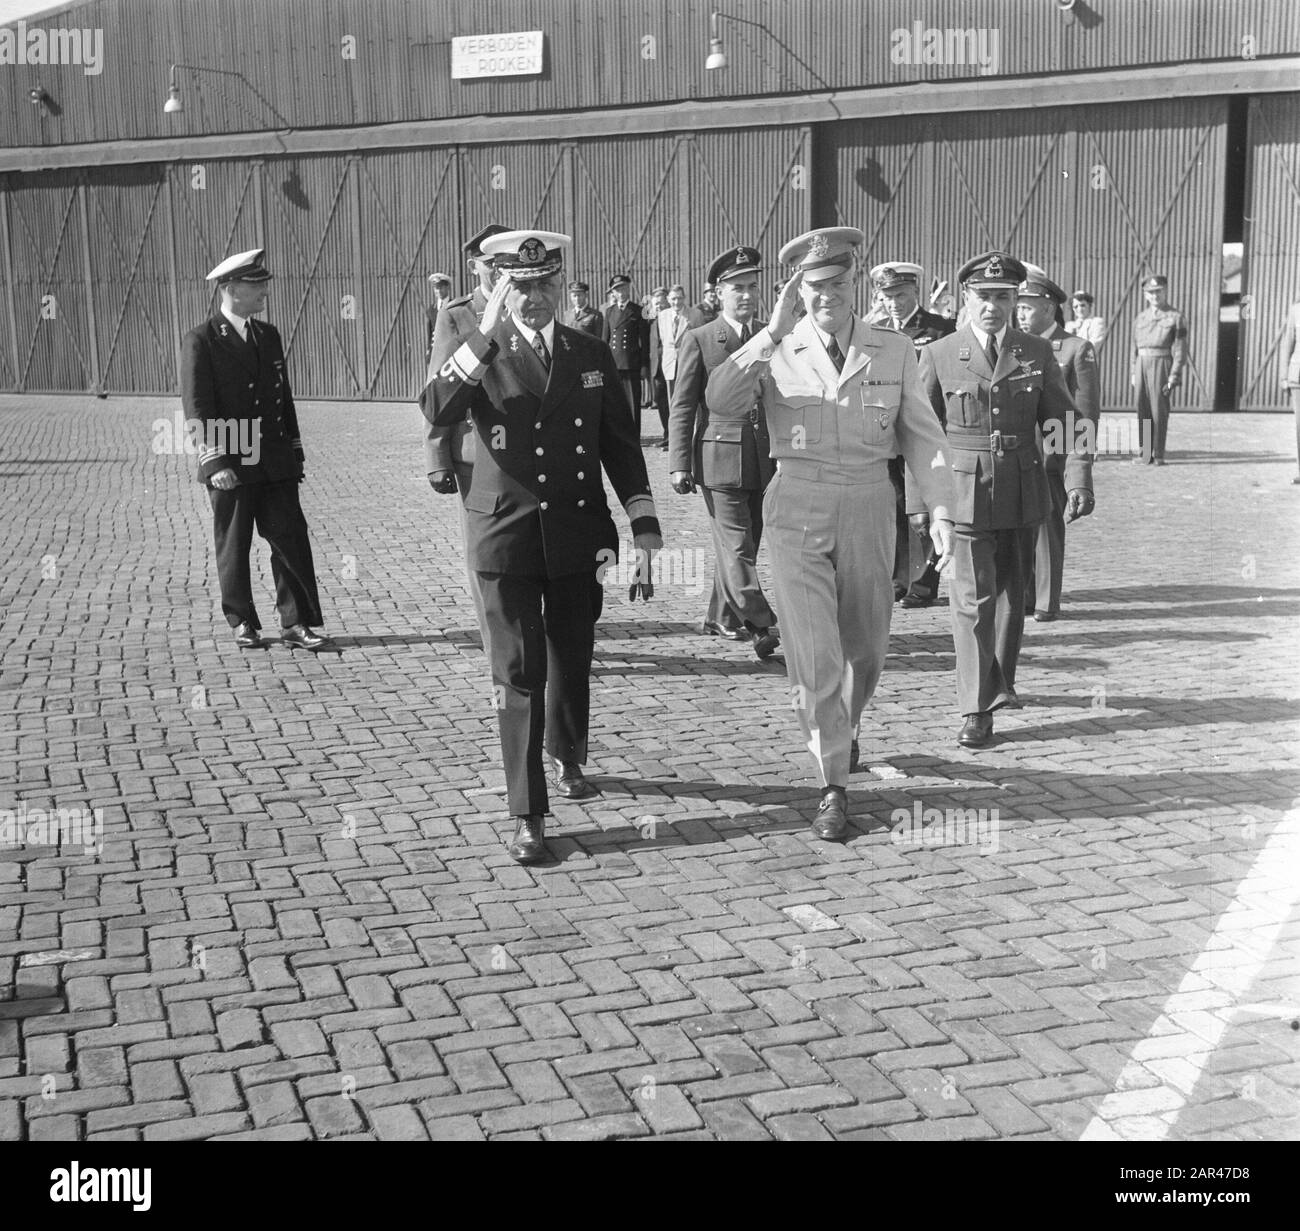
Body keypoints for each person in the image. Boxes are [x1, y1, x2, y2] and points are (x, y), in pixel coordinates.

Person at [705, 228, 956, 840]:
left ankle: (847, 723)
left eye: (837, 283)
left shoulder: (893, 350)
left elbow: (922, 437)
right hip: (797, 505)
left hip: (871, 502)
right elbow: (720, 400)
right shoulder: (776, 347)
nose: (827, 296)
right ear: (798, 288)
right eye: (814, 286)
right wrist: (769, 332)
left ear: (853, 281)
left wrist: (943, 511)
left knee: (865, 649)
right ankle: (833, 781)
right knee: (815, 653)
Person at [422, 230, 662, 865]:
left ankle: (567, 753)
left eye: (544, 286)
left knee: (572, 652)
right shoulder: (480, 347)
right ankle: (528, 811)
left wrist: (643, 522)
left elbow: (618, 440)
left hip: (578, 530)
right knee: (517, 672)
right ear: (500, 288)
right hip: (504, 533)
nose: (534, 298)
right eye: (520, 287)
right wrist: (484, 334)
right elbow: (438, 407)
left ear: (562, 285)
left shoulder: (587, 350)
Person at [917, 251, 1095, 748]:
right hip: (963, 489)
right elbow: (921, 434)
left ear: (1016, 300)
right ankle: (977, 708)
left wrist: (1079, 478)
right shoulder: (940, 353)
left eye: (1002, 297)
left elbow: (1064, 424)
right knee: (973, 601)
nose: (992, 306)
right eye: (983, 297)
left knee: (1013, 600)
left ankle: (1000, 684)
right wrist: (919, 503)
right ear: (965, 299)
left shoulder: (1035, 352)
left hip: (1023, 487)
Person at [181, 248, 335, 652]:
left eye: (263, 285)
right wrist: (215, 460)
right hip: (232, 459)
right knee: (234, 544)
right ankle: (242, 621)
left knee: (290, 539)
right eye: (256, 286)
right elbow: (198, 407)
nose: (264, 292)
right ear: (231, 289)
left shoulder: (269, 335)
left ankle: (296, 622)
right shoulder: (202, 340)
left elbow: (283, 400)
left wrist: (294, 451)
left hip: (274, 459)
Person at [668, 246, 780, 660]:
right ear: (719, 292)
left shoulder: (772, 335)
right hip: (719, 458)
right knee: (736, 545)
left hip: (764, 458)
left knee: (745, 544)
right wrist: (679, 463)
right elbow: (682, 404)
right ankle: (760, 622)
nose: (747, 295)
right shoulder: (701, 339)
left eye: (752, 287)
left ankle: (722, 616)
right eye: (738, 288)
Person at [423, 223, 509, 645]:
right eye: (490, 264)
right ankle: (496, 636)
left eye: (503, 263)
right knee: (484, 547)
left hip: (526, 447)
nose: (498, 272)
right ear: (475, 266)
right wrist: (437, 457)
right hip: (475, 453)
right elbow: (438, 388)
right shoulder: (456, 314)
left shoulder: (529, 304)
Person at [1016, 266, 1100, 623]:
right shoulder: (1012, 345)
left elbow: (1085, 416)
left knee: (1047, 529)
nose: (1019, 313)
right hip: (1016, 453)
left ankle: (1045, 602)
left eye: (1027, 306)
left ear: (1049, 308)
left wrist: (1078, 472)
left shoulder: (1076, 349)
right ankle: (1022, 595)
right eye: (1017, 305)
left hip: (1051, 456)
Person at [870, 261, 955, 610]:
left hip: (925, 428)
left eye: (900, 295)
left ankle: (924, 582)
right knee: (892, 506)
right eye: (887, 297)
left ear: (915, 293)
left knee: (924, 510)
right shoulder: (873, 330)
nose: (894, 303)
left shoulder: (939, 329)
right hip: (887, 429)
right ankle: (897, 579)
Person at [1131, 275, 1188, 466]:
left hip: (1162, 362)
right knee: (1142, 408)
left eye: (1159, 291)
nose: (1155, 296)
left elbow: (1180, 350)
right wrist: (1133, 371)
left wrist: (1174, 375)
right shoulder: (1140, 317)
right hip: (1141, 363)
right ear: (1145, 295)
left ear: (1165, 291)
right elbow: (1134, 348)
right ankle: (1145, 454)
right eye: (1151, 292)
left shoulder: (1176, 317)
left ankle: (1159, 453)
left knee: (1159, 410)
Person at [650, 285, 705, 450]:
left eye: (679, 298)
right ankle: (676, 442)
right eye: (673, 298)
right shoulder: (663, 316)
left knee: (691, 403)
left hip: (688, 364)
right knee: (673, 405)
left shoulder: (695, 315)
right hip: (669, 366)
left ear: (685, 298)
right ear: (668, 300)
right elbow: (665, 342)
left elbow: (701, 340)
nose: (676, 302)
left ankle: (694, 438)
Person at [601, 274, 645, 435]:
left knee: (633, 401)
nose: (621, 292)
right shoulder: (609, 311)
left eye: (624, 288)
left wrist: (644, 365)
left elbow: (644, 342)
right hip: (613, 363)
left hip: (631, 362)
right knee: (614, 400)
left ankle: (634, 433)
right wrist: (603, 364)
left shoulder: (637, 310)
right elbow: (604, 340)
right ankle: (619, 433)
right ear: (613, 293)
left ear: (629, 289)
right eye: (617, 290)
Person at [1281, 297, 1300, 485]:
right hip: (1298, 376)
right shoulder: (1296, 310)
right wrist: (1284, 376)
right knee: (1299, 426)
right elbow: (1288, 344)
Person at [424, 272, 454, 364]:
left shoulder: (454, 305)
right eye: (436, 288)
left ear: (447, 287)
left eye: (441, 287)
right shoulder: (431, 309)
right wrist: (429, 350)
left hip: (450, 352)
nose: (439, 291)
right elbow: (430, 333)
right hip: (435, 352)